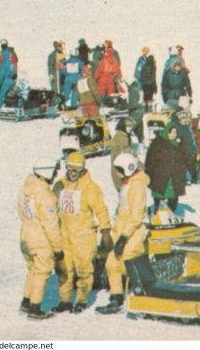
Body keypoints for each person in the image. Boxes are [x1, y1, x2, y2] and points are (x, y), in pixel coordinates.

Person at [53, 152, 112, 314]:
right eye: (70, 169)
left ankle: (81, 299)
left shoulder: (90, 187)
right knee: (64, 269)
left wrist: (105, 231)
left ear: (83, 170)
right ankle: (64, 300)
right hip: (64, 234)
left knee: (84, 270)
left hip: (84, 235)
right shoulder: (60, 185)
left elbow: (101, 210)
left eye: (76, 170)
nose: (72, 173)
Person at [96, 153, 149, 315]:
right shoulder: (126, 185)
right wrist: (113, 235)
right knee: (111, 263)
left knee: (127, 263)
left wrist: (124, 238)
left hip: (134, 232)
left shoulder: (137, 187)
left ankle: (145, 297)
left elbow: (136, 217)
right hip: (122, 231)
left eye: (119, 170)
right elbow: (121, 212)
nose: (117, 173)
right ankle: (116, 299)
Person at [18, 158, 64, 319]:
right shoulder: (46, 195)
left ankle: (26, 301)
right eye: (55, 171)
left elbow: (20, 211)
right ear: (47, 172)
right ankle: (35, 307)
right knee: (42, 271)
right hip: (40, 239)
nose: (56, 174)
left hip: (25, 235)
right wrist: (58, 248)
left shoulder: (25, 188)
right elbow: (51, 225)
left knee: (32, 270)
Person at [146, 121, 193, 213]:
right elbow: (150, 160)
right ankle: (157, 216)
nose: (173, 135)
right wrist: (148, 174)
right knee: (159, 199)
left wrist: (193, 172)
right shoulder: (158, 142)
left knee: (173, 199)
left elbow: (187, 158)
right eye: (171, 132)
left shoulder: (181, 143)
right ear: (167, 132)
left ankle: (172, 217)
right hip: (160, 177)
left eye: (175, 132)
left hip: (175, 177)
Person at [110, 117, 137, 191]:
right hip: (119, 169)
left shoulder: (126, 136)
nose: (130, 128)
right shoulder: (119, 137)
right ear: (123, 126)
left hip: (126, 168)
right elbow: (119, 154)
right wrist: (130, 152)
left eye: (131, 126)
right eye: (128, 126)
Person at [0, 39, 18, 112]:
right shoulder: (12, 59)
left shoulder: (2, 63)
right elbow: (15, 69)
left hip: (4, 81)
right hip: (12, 80)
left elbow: (0, 76)